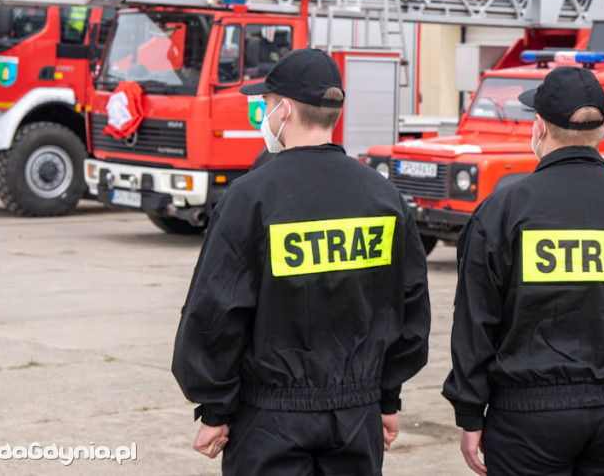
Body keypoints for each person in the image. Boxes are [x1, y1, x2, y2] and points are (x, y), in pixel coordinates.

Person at [172, 47, 431, 475]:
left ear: (285, 110)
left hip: (270, 418)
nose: (263, 115)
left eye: (265, 105)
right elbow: (410, 307)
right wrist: (386, 396)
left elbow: (215, 310)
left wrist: (216, 409)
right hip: (356, 416)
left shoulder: (250, 197)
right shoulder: (384, 198)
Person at [443, 66, 604, 476]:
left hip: (528, 417)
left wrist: (471, 412)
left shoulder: (504, 210)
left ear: (538, 127)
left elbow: (474, 321)